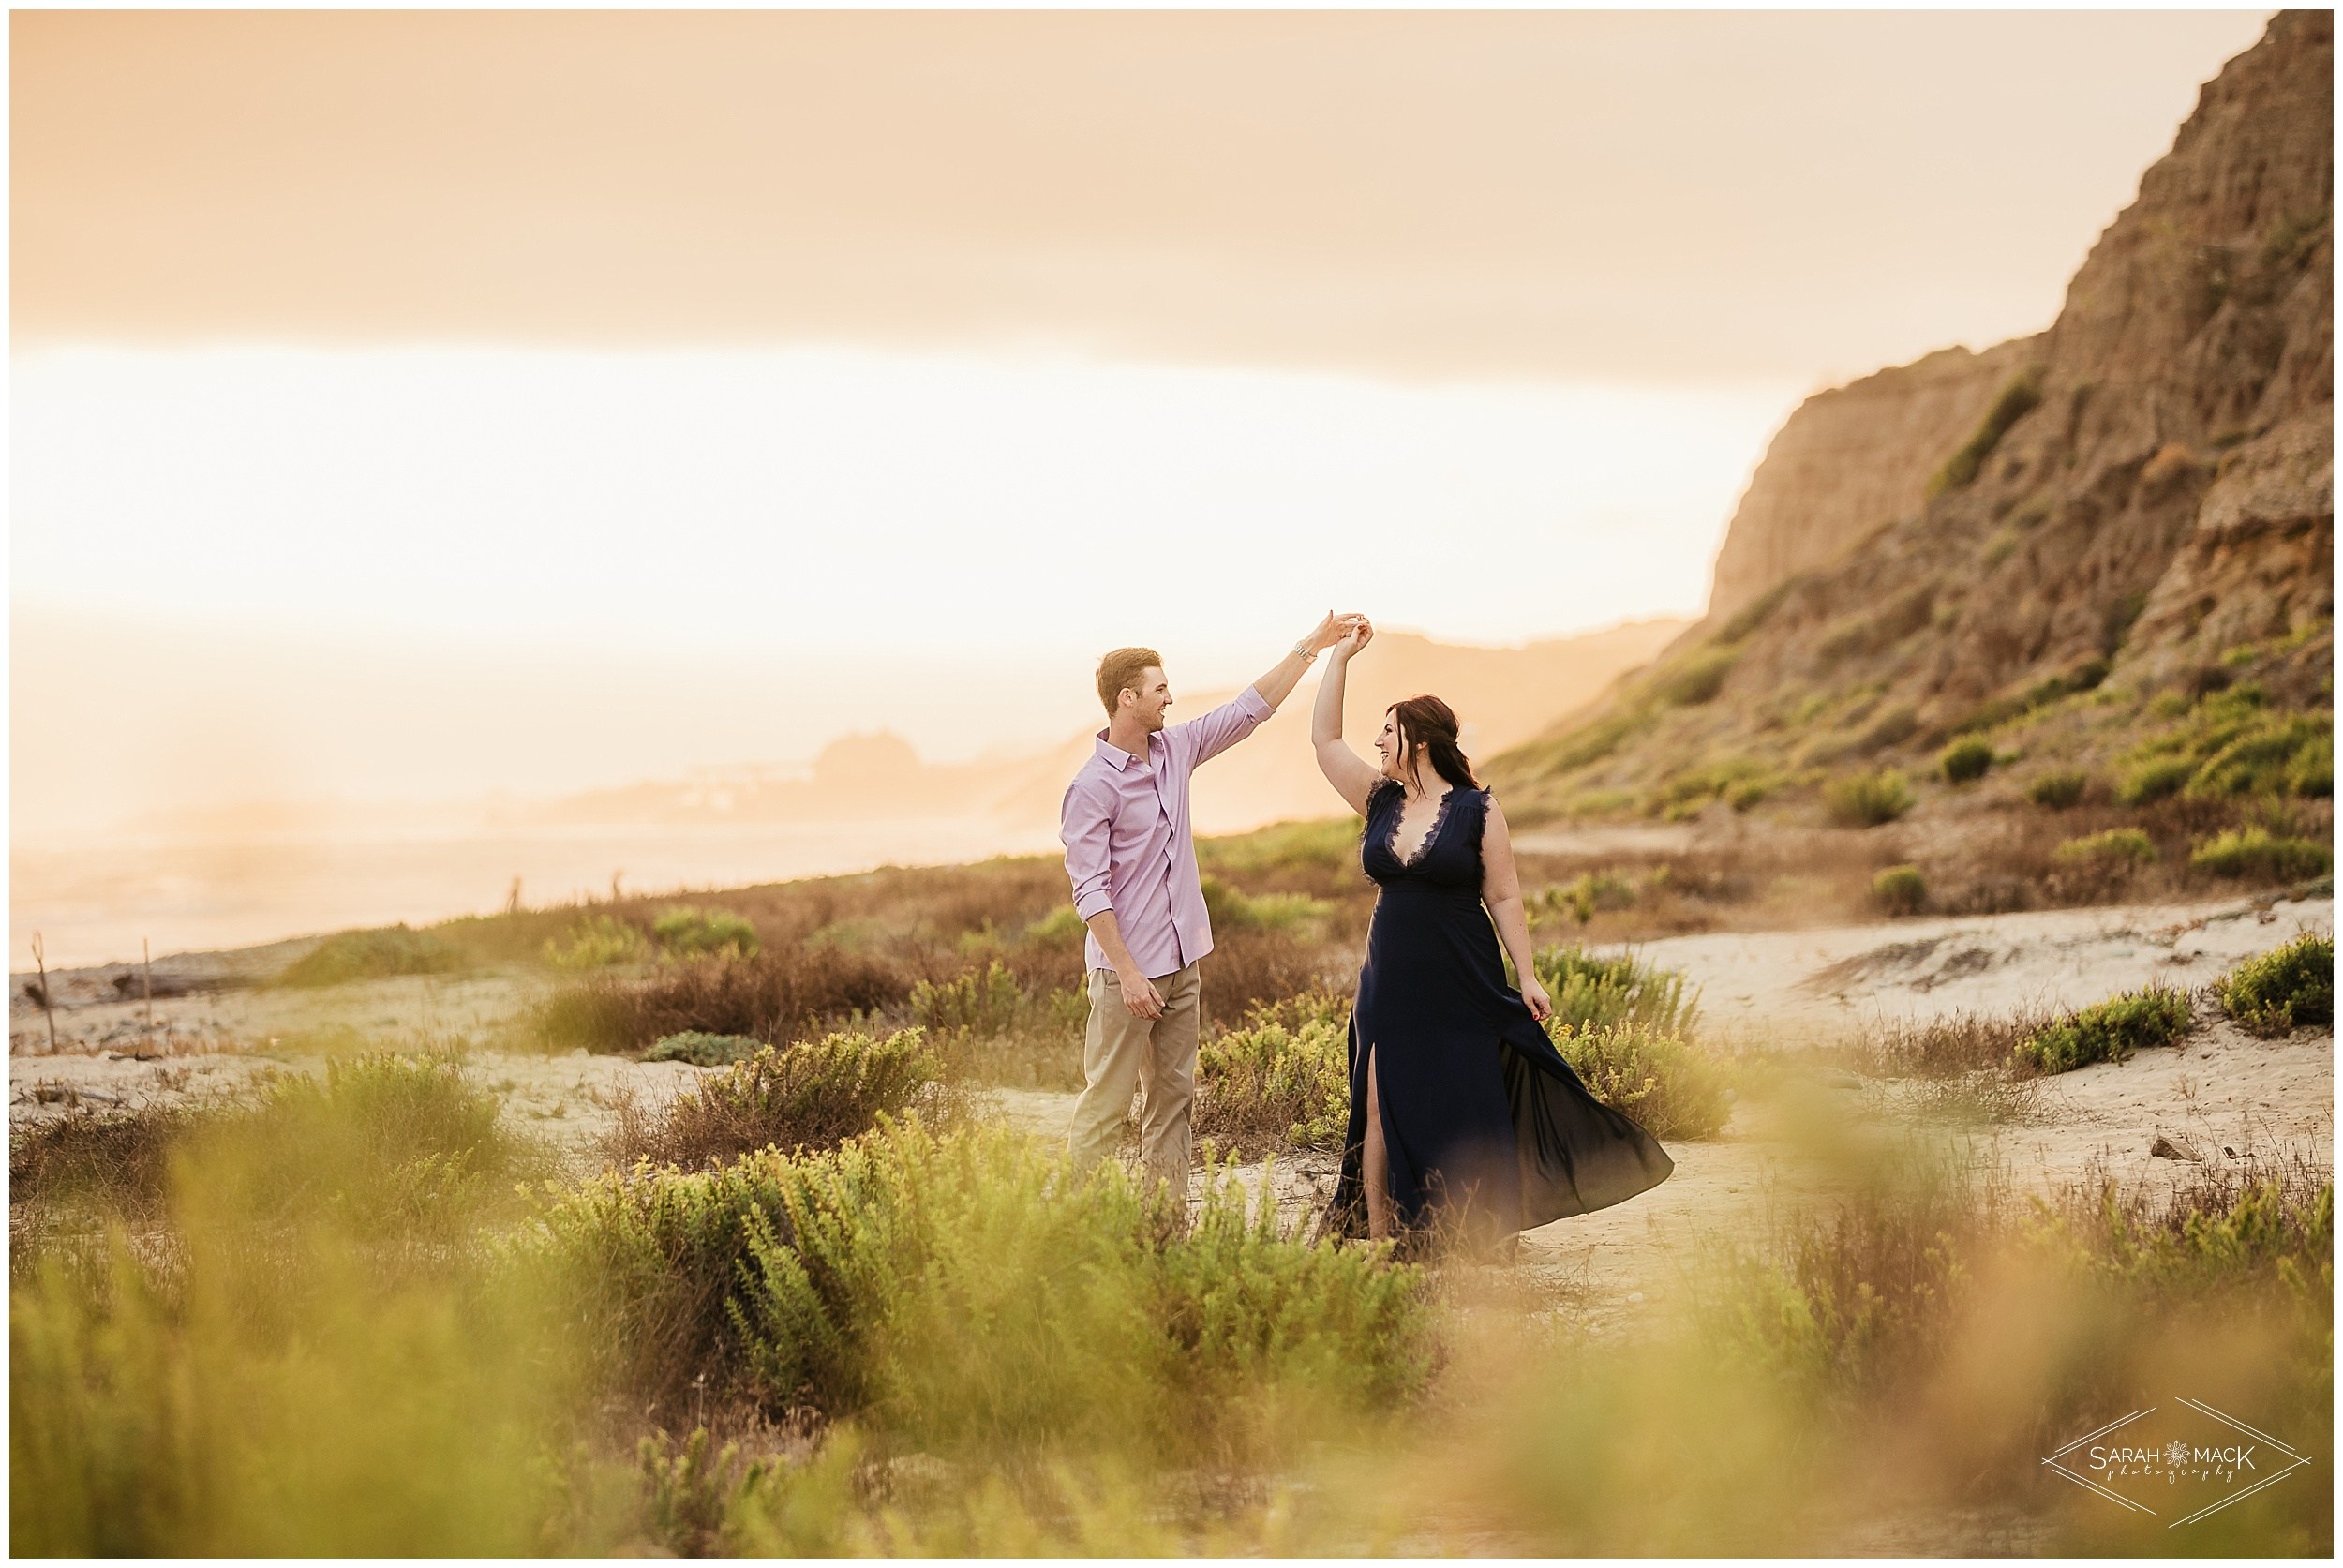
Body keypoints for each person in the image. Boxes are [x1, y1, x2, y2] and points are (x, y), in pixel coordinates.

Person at [1309, 615, 1674, 1254]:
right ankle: (1382, 1238)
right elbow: (1323, 739)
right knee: (1375, 1102)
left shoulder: (1478, 808)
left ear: (1419, 740)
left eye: (1388, 732)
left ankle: (1473, 1227)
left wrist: (1527, 973)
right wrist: (1338, 659)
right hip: (1389, 979)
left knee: (1463, 1096)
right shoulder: (1379, 800)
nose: (1376, 742)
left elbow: (1503, 894)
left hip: (1462, 974)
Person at [1061, 613, 1365, 1201]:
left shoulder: (1175, 749)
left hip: (1183, 965)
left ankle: (1164, 1231)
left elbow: (1250, 710)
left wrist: (1313, 647)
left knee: (1172, 1104)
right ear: (1129, 699)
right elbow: (1090, 891)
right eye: (1159, 690)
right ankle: (1082, 1231)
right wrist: (1128, 975)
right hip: (1127, 974)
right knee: (1106, 1106)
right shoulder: (1092, 786)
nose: (1169, 698)